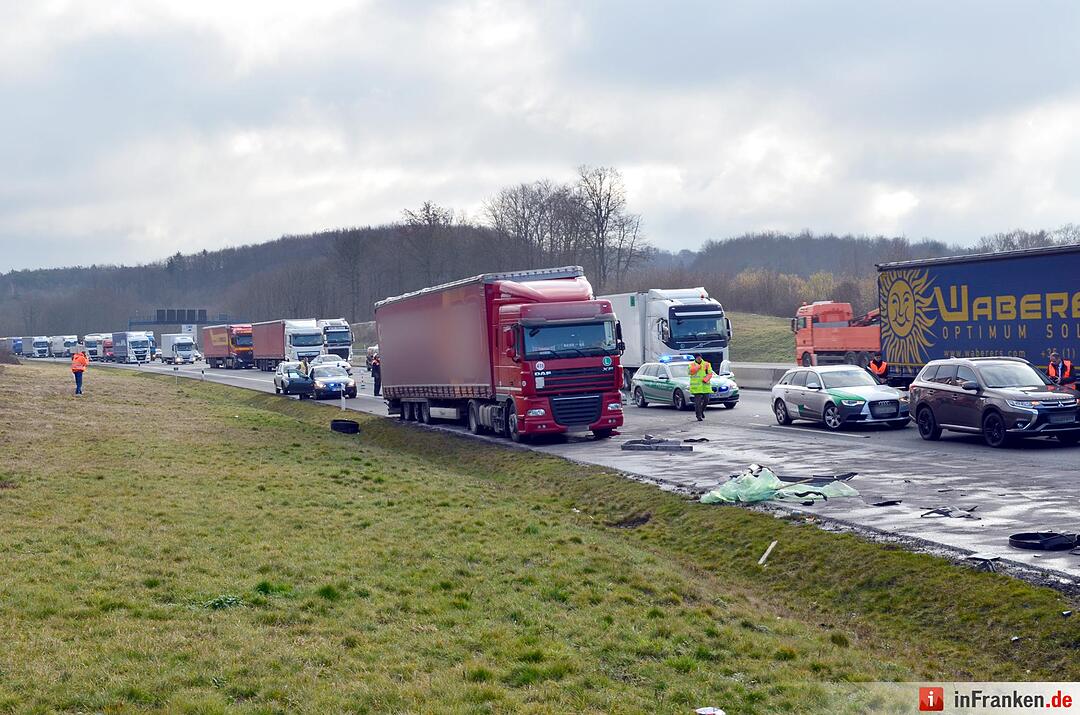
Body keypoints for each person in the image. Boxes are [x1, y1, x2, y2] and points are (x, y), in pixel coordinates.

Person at [687, 353, 714, 421]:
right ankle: (698, 416)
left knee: (706, 400)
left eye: (700, 357)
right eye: (697, 357)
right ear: (695, 358)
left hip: (705, 386)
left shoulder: (707, 364)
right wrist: (698, 367)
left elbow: (710, 373)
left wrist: (706, 379)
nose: (699, 358)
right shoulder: (691, 365)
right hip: (696, 388)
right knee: (697, 403)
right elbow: (690, 372)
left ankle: (701, 411)